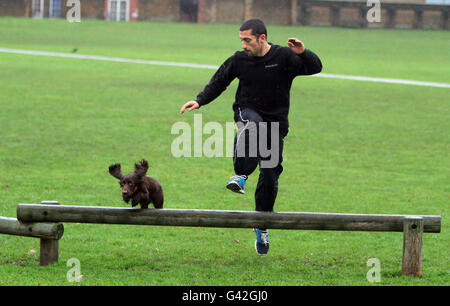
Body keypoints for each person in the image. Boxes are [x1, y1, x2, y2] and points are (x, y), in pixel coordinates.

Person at [180, 18, 322, 255]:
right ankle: (241, 174)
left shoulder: (283, 57)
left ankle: (262, 225)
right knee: (252, 125)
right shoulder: (239, 59)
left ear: (262, 38)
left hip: (276, 123)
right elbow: (219, 80)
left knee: (270, 173)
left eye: (247, 40)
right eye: (241, 40)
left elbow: (315, 67)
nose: (244, 44)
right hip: (247, 111)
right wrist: (200, 99)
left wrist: (303, 52)